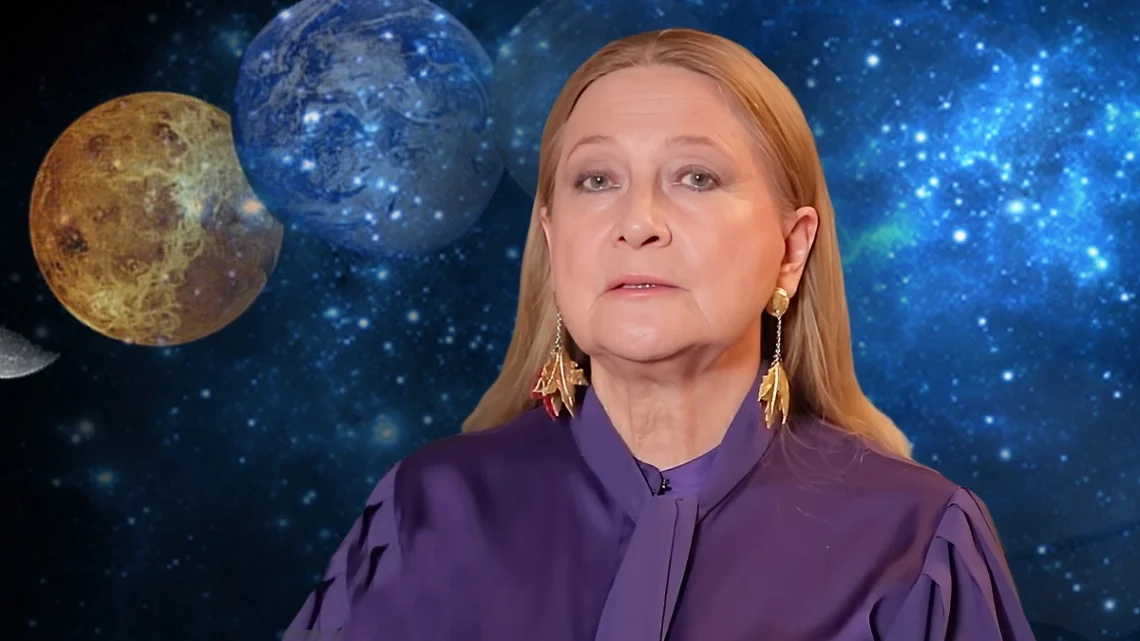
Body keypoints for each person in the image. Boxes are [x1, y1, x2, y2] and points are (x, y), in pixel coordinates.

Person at [283, 27, 1037, 641]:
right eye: (596, 180)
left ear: (792, 247)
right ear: (551, 235)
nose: (637, 222)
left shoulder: (916, 540)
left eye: (696, 177)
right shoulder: (423, 513)